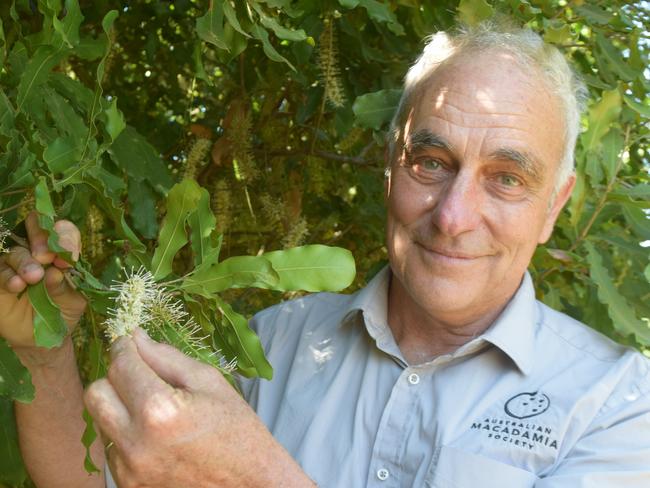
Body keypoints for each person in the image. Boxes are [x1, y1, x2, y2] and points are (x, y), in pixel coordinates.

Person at [1, 21, 649, 488]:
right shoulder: (274, 344)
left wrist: (254, 478)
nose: (453, 217)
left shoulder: (618, 406)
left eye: (507, 178)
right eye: (430, 162)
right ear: (388, 170)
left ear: (554, 209)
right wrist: (43, 350)